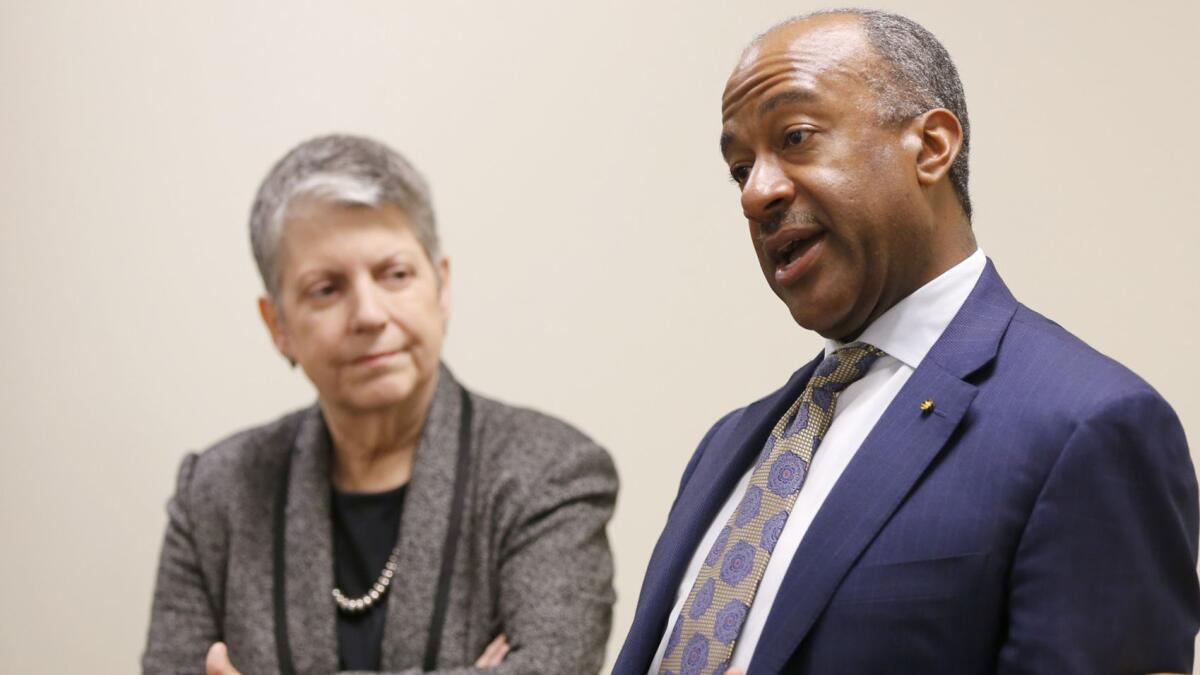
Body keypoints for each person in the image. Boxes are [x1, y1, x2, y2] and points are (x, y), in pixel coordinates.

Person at [614, 9, 1199, 675]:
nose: (757, 193)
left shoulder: (1088, 426)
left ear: (931, 146)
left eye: (796, 137)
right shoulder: (727, 446)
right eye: (740, 168)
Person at [142, 134, 618, 674]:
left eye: (395, 275)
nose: (369, 314)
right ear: (277, 326)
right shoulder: (215, 494)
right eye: (326, 288)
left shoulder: (548, 474)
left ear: (441, 288)